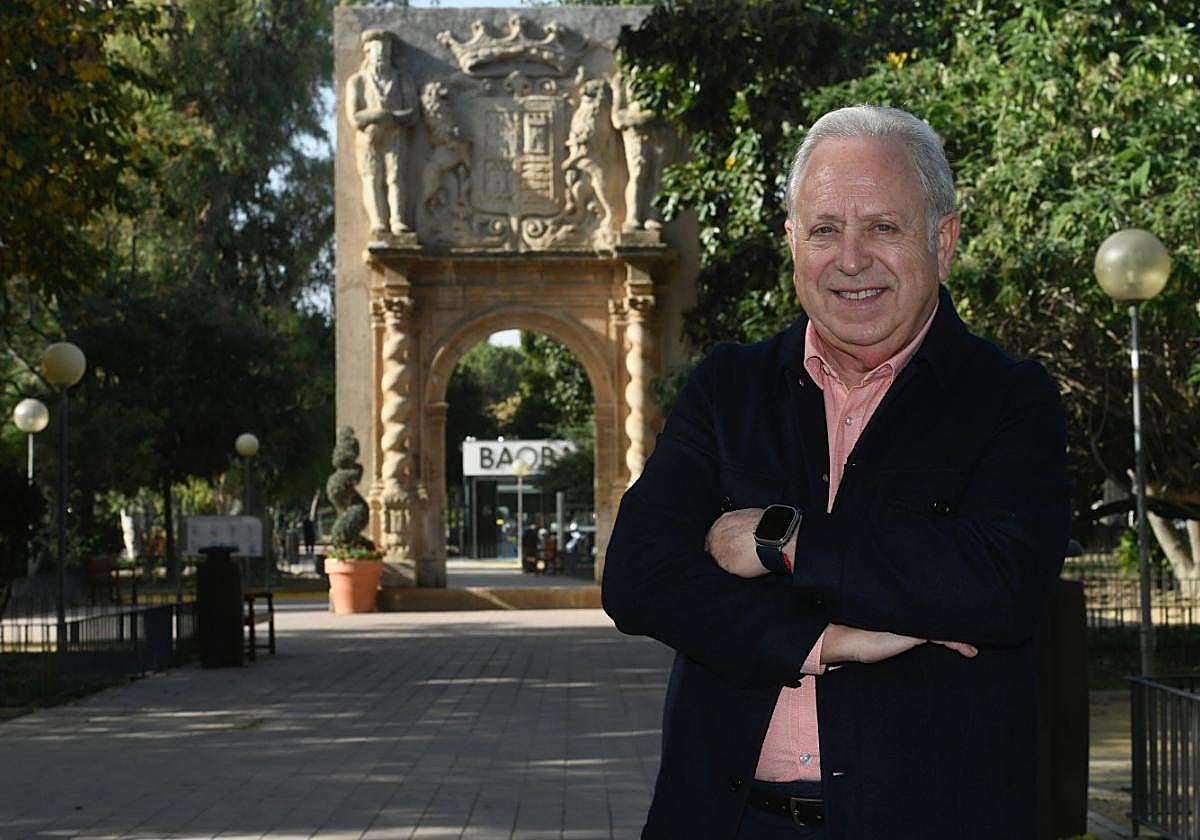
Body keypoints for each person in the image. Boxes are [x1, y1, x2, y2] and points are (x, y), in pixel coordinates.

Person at [602, 105, 1071, 839]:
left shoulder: (1011, 398)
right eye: (824, 230)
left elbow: (999, 583)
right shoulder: (729, 388)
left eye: (883, 227)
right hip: (721, 821)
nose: (850, 259)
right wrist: (824, 642)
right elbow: (637, 575)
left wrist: (781, 542)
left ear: (942, 242)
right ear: (793, 242)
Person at [345, 29, 418, 237]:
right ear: (367, 54)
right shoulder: (357, 82)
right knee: (372, 178)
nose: (380, 59)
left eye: (384, 54)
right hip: (369, 138)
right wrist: (378, 115)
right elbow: (354, 117)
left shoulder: (402, 79)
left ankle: (397, 220)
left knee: (395, 177)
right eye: (376, 54)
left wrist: (391, 118)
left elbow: (413, 113)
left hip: (395, 135)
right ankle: (377, 222)